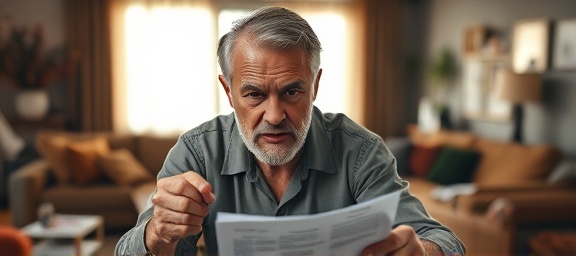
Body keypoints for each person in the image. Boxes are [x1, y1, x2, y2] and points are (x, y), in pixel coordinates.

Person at [116, 6, 465, 256]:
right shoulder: (197, 152)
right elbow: (132, 249)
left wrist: (421, 251)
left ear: (315, 85)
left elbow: (444, 240)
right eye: (254, 94)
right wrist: (157, 235)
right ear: (228, 91)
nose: (274, 115)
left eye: (292, 92)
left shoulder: (360, 152)